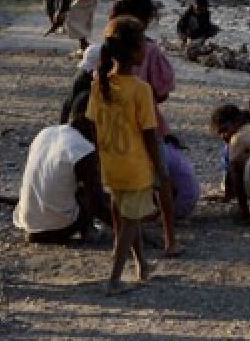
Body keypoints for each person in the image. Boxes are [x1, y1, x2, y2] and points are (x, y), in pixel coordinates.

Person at [86, 17, 166, 295]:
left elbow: (94, 124)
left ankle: (142, 265)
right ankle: (114, 278)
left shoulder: (100, 84)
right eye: (144, 42)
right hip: (135, 166)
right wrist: (159, 168)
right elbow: (148, 134)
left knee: (124, 217)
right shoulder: (140, 90)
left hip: (111, 164)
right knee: (130, 223)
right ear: (135, 52)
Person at [109, 0, 181, 257]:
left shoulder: (106, 52)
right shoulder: (148, 51)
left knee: (119, 188)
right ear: (147, 19)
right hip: (147, 127)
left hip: (118, 134)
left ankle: (120, 241)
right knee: (160, 180)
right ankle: (170, 240)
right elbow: (162, 93)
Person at [14, 92, 111, 244]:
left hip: (28, 223)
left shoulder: (45, 133)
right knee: (91, 194)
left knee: (83, 188)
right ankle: (88, 231)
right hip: (57, 228)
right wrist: (130, 229)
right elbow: (97, 206)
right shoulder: (83, 149)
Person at [162, 138, 200, 222]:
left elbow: (167, 186)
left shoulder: (159, 152)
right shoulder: (169, 148)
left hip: (179, 204)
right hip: (189, 200)